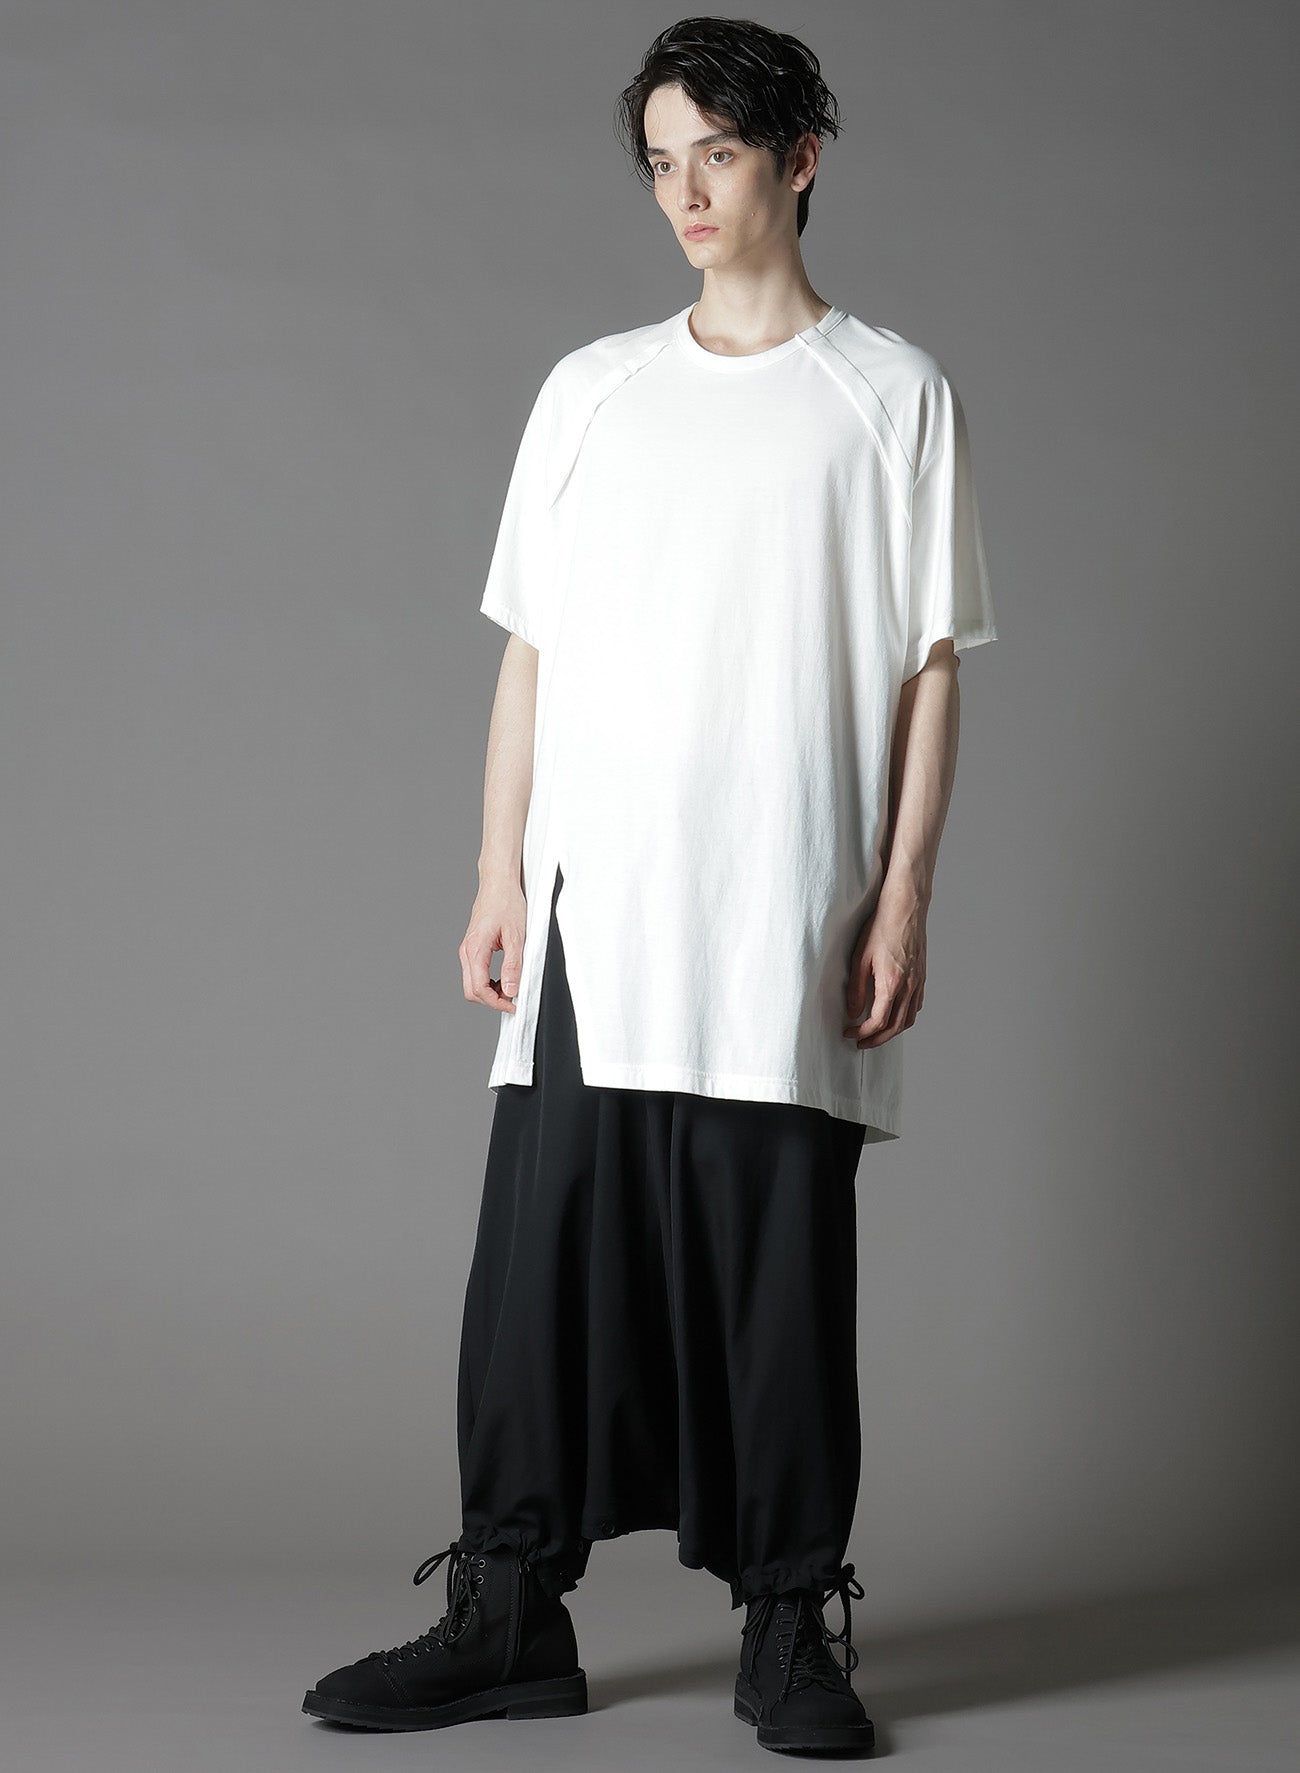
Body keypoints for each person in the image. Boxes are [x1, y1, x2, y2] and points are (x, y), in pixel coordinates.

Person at [303, 14, 998, 1757]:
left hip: (785, 911)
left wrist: (905, 893)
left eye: (721, 156)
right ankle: (507, 1609)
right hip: (591, 909)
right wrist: (494, 870)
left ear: (800, 160)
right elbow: (530, 651)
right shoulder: (590, 389)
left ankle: (789, 1620)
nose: (687, 193)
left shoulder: (892, 396)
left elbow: (930, 667)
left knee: (777, 1274)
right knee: (539, 1272)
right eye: (664, 162)